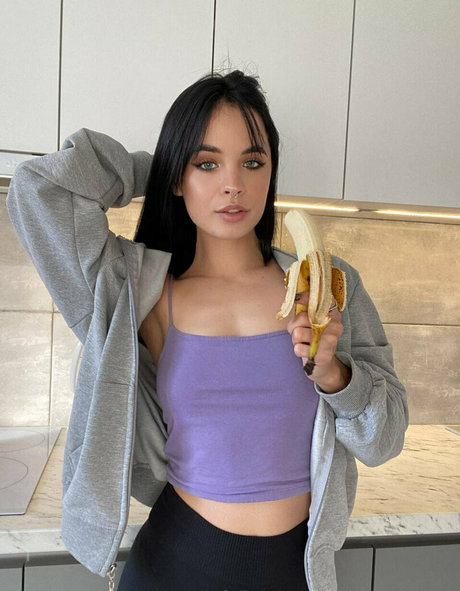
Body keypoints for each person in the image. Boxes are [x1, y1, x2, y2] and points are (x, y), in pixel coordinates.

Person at [6, 70, 408, 591]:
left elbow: (384, 440)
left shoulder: (325, 287)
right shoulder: (142, 295)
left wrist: (335, 374)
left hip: (295, 571)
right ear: (179, 175)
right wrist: (161, 168)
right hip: (175, 564)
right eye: (207, 163)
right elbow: (39, 187)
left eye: (253, 162)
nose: (233, 184)